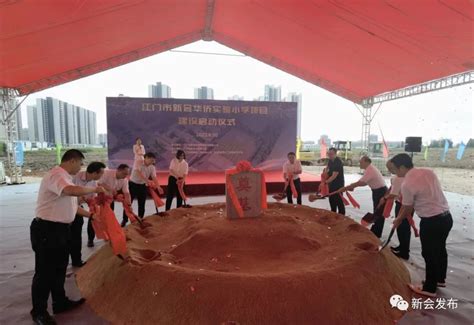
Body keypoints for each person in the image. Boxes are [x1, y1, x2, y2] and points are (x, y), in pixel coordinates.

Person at [30, 149, 105, 325]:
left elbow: (72, 206)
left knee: (60, 269)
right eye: (80, 163)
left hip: (61, 230)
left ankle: (60, 302)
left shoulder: (66, 178)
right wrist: (95, 188)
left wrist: (91, 216)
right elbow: (70, 191)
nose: (80, 167)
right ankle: (39, 311)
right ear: (72, 160)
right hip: (47, 230)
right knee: (45, 272)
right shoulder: (57, 175)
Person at [392, 153, 453, 298]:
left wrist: (398, 220)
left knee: (429, 253)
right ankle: (440, 279)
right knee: (440, 249)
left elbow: (407, 208)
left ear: (402, 167)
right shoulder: (428, 172)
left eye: (395, 169)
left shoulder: (407, 184)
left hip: (431, 221)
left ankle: (429, 287)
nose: (395, 173)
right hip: (446, 218)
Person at [70, 161, 105, 267]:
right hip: (66, 209)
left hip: (78, 209)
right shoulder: (75, 177)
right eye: (101, 173)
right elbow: (71, 193)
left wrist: (92, 203)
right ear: (95, 173)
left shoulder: (93, 182)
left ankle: (76, 260)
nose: (102, 176)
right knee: (66, 237)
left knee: (76, 236)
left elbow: (92, 197)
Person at [344, 156, 387, 238]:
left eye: (361, 162)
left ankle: (377, 233)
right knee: (377, 211)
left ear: (366, 162)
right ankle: (375, 230)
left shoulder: (370, 170)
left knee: (379, 212)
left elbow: (362, 182)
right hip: (377, 191)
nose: (359, 163)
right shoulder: (369, 169)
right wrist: (352, 186)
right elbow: (365, 182)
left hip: (381, 192)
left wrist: (351, 186)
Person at [90, 164, 131, 247]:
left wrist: (129, 204)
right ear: (118, 170)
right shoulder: (107, 173)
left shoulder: (125, 180)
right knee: (94, 217)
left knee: (108, 217)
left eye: (127, 174)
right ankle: (90, 239)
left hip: (109, 200)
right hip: (99, 198)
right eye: (124, 173)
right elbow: (98, 183)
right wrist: (110, 189)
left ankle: (108, 235)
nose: (125, 176)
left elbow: (126, 193)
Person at [378, 160, 412, 260]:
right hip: (404, 203)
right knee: (402, 227)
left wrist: (384, 198)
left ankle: (404, 252)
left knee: (403, 227)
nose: (389, 170)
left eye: (390, 168)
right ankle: (402, 247)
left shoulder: (399, 178)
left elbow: (393, 194)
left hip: (404, 204)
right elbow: (392, 189)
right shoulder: (400, 177)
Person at [122, 152, 163, 226]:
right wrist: (147, 180)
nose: (152, 162)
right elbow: (138, 172)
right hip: (132, 184)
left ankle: (140, 219)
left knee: (142, 204)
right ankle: (125, 220)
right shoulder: (138, 162)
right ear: (146, 158)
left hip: (142, 185)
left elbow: (154, 177)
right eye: (151, 160)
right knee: (128, 203)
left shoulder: (152, 167)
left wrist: (158, 186)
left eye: (153, 160)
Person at [326, 147, 345, 215]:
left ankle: (342, 215)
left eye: (331, 154)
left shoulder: (338, 162)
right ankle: (333, 214)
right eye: (329, 154)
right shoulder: (330, 161)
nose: (330, 155)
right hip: (332, 184)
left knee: (339, 200)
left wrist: (325, 182)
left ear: (335, 154)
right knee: (331, 199)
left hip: (338, 184)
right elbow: (327, 169)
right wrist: (324, 175)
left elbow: (334, 176)